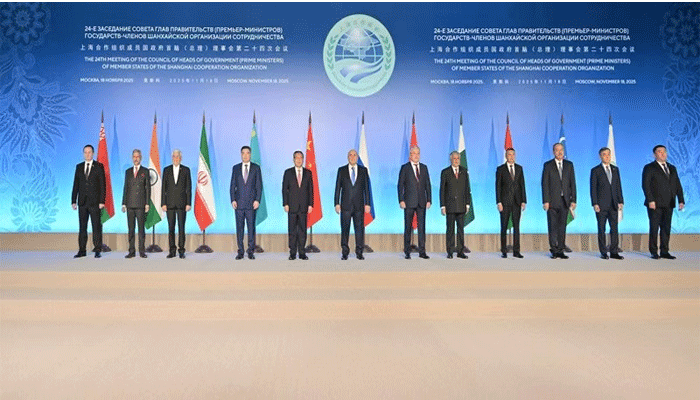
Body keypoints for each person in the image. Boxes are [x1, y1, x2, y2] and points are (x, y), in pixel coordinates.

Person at [642, 144, 685, 259]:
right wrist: (650, 200)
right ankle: (654, 251)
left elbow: (677, 184)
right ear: (654, 155)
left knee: (666, 228)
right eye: (659, 152)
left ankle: (664, 251)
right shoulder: (649, 167)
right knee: (654, 228)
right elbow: (646, 185)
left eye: (664, 151)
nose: (663, 153)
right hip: (655, 203)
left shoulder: (672, 168)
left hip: (669, 202)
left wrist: (681, 200)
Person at [542, 143, 576, 259]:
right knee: (552, 226)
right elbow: (545, 184)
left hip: (565, 201)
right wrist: (546, 201)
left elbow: (572, 183)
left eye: (561, 150)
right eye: (557, 150)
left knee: (562, 227)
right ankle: (554, 250)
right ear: (553, 152)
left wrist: (573, 200)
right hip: (552, 201)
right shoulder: (548, 165)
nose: (560, 152)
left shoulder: (569, 165)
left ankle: (561, 250)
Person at [334, 149, 370, 260]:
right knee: (345, 230)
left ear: (357, 157)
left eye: (354, 155)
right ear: (348, 157)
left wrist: (368, 203)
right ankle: (345, 252)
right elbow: (337, 188)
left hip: (359, 206)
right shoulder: (341, 170)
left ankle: (359, 252)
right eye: (350, 155)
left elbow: (366, 189)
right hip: (345, 206)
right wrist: (336, 203)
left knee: (359, 230)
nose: (352, 157)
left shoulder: (363, 170)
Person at [71, 144, 106, 258]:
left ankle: (97, 249)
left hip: (95, 202)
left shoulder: (99, 166)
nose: (87, 154)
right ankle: (82, 250)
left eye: (89, 152)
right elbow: (76, 185)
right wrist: (73, 200)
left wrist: (102, 201)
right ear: (83, 154)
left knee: (96, 227)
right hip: (82, 202)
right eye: (85, 152)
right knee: (82, 227)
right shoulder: (79, 167)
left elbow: (102, 185)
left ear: (93, 153)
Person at [590, 147, 624, 260]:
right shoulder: (595, 170)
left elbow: (618, 186)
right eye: (604, 154)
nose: (607, 156)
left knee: (614, 229)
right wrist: (595, 203)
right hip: (601, 205)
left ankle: (614, 252)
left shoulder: (615, 169)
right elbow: (593, 188)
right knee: (602, 229)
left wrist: (621, 201)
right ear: (600, 156)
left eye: (608, 154)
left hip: (614, 204)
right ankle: (603, 252)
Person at [398, 145, 431, 259]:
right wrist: (401, 200)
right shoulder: (405, 168)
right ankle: (407, 251)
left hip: (422, 202)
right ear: (410, 155)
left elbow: (428, 185)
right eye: (414, 153)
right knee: (408, 227)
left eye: (418, 153)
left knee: (422, 228)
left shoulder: (424, 168)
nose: (416, 156)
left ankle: (422, 252)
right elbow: (400, 185)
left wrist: (429, 200)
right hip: (408, 202)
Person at [230, 145, 263, 260]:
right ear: (241, 155)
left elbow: (259, 186)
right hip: (239, 204)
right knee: (239, 229)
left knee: (251, 228)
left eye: (247, 153)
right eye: (243, 153)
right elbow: (232, 185)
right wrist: (233, 199)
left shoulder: (256, 168)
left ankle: (250, 251)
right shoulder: (235, 168)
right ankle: (240, 251)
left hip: (251, 204)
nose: (245, 155)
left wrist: (257, 200)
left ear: (250, 154)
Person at [282, 150, 313, 260]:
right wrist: (285, 203)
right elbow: (284, 189)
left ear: (303, 160)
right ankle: (292, 252)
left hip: (304, 206)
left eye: (301, 158)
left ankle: (302, 252)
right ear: (293, 159)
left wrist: (310, 204)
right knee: (292, 230)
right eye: (297, 158)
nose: (299, 160)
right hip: (292, 206)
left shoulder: (308, 173)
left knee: (302, 230)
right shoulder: (288, 172)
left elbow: (310, 190)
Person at [440, 151, 471, 259]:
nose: (456, 160)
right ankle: (450, 251)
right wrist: (443, 206)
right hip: (450, 206)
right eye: (454, 158)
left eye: (458, 158)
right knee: (450, 230)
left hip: (461, 205)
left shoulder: (464, 171)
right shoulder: (445, 172)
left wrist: (467, 204)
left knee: (461, 230)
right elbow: (442, 190)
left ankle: (460, 251)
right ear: (451, 160)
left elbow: (467, 188)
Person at [496, 147, 526, 259]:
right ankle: (504, 251)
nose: (511, 156)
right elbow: (498, 187)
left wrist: (523, 200)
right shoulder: (500, 169)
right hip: (505, 203)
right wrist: (499, 202)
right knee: (504, 226)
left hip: (517, 202)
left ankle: (516, 251)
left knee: (516, 227)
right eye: (509, 154)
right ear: (506, 156)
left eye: (513, 154)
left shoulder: (519, 168)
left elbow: (522, 185)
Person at [161, 149, 192, 259]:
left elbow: (189, 188)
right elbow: (163, 188)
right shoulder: (166, 170)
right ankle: (172, 251)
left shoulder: (186, 170)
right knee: (171, 228)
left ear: (181, 158)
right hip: (169, 204)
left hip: (182, 204)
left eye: (177, 156)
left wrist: (188, 203)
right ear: (172, 158)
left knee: (181, 228)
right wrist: (163, 203)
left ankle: (181, 250)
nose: (175, 158)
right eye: (174, 156)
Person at [122, 149, 150, 258]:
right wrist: (123, 203)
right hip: (130, 204)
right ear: (132, 158)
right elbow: (126, 188)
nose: (136, 158)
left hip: (140, 204)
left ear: (141, 158)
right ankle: (131, 251)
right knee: (131, 229)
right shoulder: (128, 171)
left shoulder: (145, 171)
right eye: (134, 156)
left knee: (141, 229)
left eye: (137, 156)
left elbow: (148, 188)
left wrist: (147, 203)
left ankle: (142, 251)